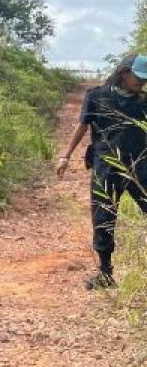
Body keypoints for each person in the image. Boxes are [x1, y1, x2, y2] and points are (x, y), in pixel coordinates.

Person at [56, 53, 147, 289]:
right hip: (106, 169)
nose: (142, 83)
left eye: (145, 80)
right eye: (139, 78)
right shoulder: (97, 97)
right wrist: (65, 155)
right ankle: (105, 274)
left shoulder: (144, 102)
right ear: (124, 73)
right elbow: (82, 127)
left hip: (142, 169)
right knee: (103, 219)